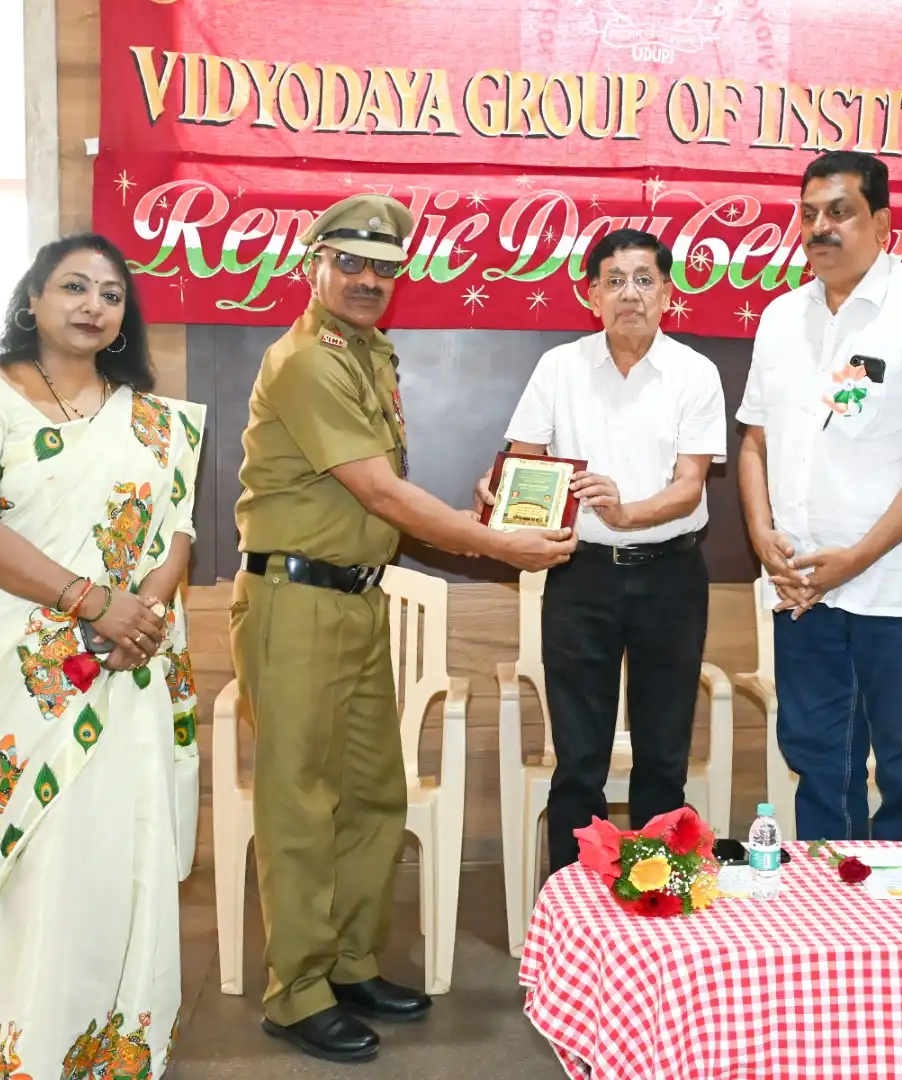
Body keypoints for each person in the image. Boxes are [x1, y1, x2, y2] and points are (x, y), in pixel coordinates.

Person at [233, 193, 577, 1063]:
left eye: (384, 267)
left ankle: (349, 964)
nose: (368, 280)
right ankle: (297, 989)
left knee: (373, 794)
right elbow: (383, 495)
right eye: (350, 262)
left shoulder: (367, 357)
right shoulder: (308, 361)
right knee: (301, 803)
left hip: (354, 599)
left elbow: (387, 493)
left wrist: (488, 517)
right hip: (296, 604)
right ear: (313, 263)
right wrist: (498, 544)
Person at [0, 234, 206, 1079]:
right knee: (36, 867)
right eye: (73, 286)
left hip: (120, 667)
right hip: (1, 672)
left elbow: (178, 533)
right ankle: (18, 1048)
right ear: (32, 299)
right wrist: (90, 601)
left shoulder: (151, 418)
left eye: (110, 295)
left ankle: (107, 1047)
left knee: (112, 858)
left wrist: (137, 611)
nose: (92, 305)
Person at [735, 150, 902, 843]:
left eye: (839, 212)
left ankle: (898, 936)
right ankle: (828, 924)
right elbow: (753, 441)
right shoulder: (782, 318)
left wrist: (861, 555)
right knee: (819, 761)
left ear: (882, 223)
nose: (821, 228)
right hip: (804, 588)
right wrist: (762, 535)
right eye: (809, 214)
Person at [473, 228, 726, 874]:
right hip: (580, 579)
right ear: (591, 296)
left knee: (663, 756)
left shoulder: (695, 374)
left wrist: (626, 512)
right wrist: (496, 489)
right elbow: (521, 463)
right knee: (579, 759)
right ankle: (573, 915)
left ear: (668, 294)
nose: (630, 294)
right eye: (614, 281)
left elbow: (690, 486)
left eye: (644, 280)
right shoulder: (559, 367)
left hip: (670, 578)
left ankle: (657, 905)